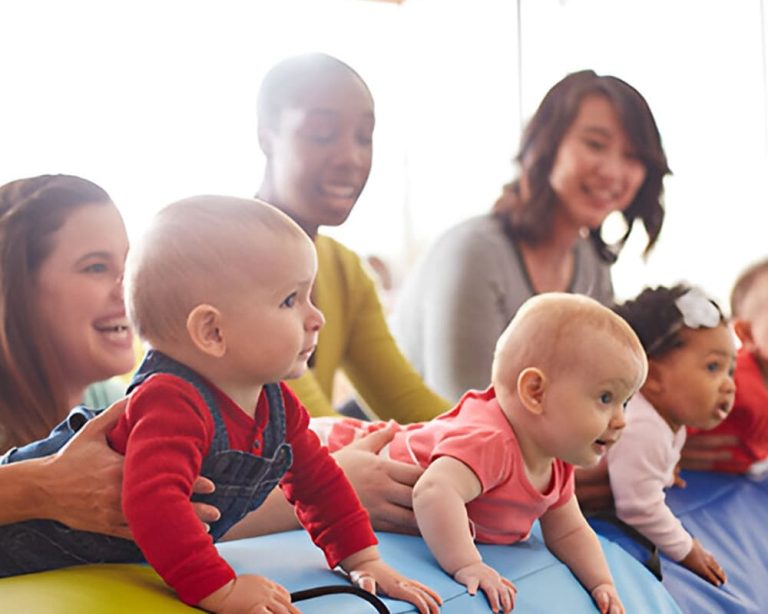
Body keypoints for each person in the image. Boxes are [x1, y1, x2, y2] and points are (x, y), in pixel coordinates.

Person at [0, 196, 441, 614]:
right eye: (290, 300)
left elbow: (319, 482)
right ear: (211, 332)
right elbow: (155, 506)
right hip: (22, 540)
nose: (316, 317)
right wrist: (220, 588)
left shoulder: (275, 403)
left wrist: (363, 559)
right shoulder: (169, 402)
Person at [313, 293, 645, 614]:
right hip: (343, 447)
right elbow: (433, 492)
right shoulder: (492, 443)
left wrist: (602, 584)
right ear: (535, 392)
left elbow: (569, 530)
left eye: (625, 403)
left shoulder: (554, 460)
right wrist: (468, 564)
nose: (620, 421)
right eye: (605, 398)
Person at [252, 52, 452, 534]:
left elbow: (413, 404)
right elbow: (317, 436)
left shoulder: (344, 269)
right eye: (322, 134)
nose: (351, 157)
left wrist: (506, 443)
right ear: (266, 137)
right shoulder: (224, 259)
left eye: (364, 137)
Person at [390, 69, 671, 403]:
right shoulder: (475, 253)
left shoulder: (592, 265)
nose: (612, 171)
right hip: (417, 448)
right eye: (595, 144)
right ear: (546, 145)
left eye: (632, 156)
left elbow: (599, 398)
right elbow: (462, 412)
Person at [607, 284, 734, 587]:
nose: (729, 385)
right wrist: (688, 550)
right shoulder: (642, 427)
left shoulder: (664, 421)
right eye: (713, 367)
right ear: (653, 378)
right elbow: (638, 507)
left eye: (731, 370)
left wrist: (664, 469)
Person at [685, 258, 768, 475]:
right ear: (746, 334)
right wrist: (666, 448)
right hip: (686, 482)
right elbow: (662, 411)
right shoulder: (731, 381)